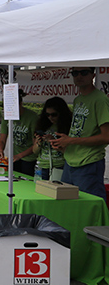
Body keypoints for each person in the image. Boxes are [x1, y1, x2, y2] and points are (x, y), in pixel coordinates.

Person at [51, 67, 109, 201]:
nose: (79, 76)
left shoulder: (100, 100)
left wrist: (70, 141)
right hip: (70, 162)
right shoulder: (78, 99)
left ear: (93, 75)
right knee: (68, 205)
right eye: (75, 73)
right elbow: (80, 131)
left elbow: (106, 136)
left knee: (89, 207)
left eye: (84, 72)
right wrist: (63, 144)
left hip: (88, 163)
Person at [0, 90, 38, 176]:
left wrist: (20, 155)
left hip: (29, 158)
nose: (11, 110)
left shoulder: (32, 117)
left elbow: (36, 144)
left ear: (20, 104)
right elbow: (2, 139)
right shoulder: (7, 117)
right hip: (14, 157)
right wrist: (0, 150)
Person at [33, 96, 72, 180]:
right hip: (42, 165)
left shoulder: (68, 127)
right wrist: (38, 142)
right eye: (47, 114)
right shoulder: (42, 125)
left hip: (59, 166)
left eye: (54, 114)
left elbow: (69, 151)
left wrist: (53, 140)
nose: (50, 117)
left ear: (61, 113)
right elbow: (34, 151)